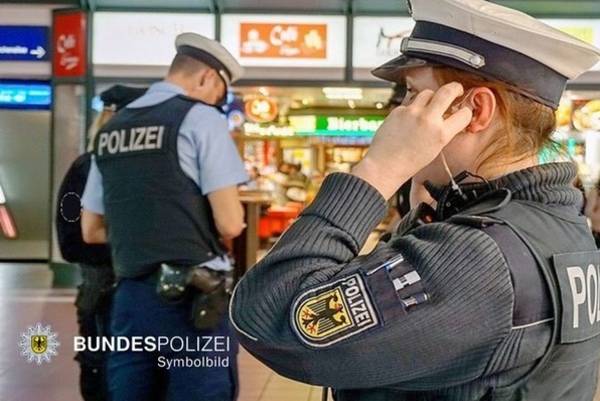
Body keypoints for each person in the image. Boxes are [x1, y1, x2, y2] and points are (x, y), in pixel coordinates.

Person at [229, 1, 600, 400]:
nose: (398, 115)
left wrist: (379, 170)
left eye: (413, 95)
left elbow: (268, 317)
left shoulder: (476, 254)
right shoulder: (560, 223)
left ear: (475, 110)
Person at [81, 33, 248, 401]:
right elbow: (230, 223)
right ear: (207, 77)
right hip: (193, 301)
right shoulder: (201, 118)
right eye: (220, 94)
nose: (216, 103)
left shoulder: (110, 130)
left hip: (130, 297)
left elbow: (90, 230)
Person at [56, 84, 146, 401]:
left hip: (121, 287)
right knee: (103, 368)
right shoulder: (88, 167)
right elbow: (71, 235)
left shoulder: (94, 165)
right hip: (105, 285)